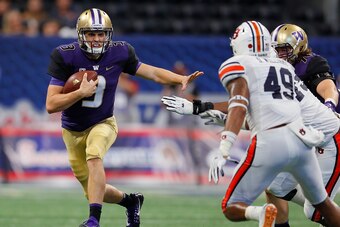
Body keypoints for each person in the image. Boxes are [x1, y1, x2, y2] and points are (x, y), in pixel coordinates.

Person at [162, 20, 340, 227]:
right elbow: (263, 115)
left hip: (325, 137)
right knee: (276, 188)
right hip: (301, 135)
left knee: (314, 210)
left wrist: (224, 147)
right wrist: (206, 110)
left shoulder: (243, 65)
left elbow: (240, 104)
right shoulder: (282, 67)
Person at [45, 8, 203, 227]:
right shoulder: (65, 55)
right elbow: (51, 105)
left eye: (101, 34)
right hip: (71, 130)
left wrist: (179, 78)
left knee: (94, 155)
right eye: (91, 33)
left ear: (109, 34)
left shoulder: (120, 52)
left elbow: (153, 72)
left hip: (103, 123)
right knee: (92, 191)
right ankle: (131, 201)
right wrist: (80, 93)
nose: (97, 39)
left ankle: (93, 220)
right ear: (81, 34)